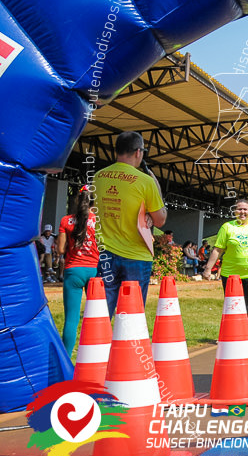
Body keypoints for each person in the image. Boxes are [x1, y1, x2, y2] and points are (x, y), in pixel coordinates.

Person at [94, 131, 167, 313]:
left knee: (102, 313)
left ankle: (101, 342)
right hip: (136, 256)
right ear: (138, 152)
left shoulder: (99, 177)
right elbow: (160, 220)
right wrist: (156, 187)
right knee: (132, 316)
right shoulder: (145, 181)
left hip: (105, 253)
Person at [203, 199, 248, 323]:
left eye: (245, 209)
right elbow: (217, 249)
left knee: (247, 302)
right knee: (231, 304)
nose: (242, 212)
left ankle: (244, 333)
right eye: (239, 209)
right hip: (230, 274)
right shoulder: (227, 227)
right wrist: (208, 268)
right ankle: (229, 334)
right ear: (234, 211)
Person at [56, 186, 99, 355]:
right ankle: (94, 355)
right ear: (93, 202)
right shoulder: (99, 221)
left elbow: (60, 250)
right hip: (94, 272)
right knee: (96, 317)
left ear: (76, 200)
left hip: (73, 271)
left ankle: (66, 359)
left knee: (71, 320)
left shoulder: (66, 221)